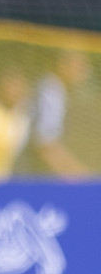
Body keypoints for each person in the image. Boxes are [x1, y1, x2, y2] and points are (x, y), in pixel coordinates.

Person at [31, 50, 90, 178]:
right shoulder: (51, 92)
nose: (84, 72)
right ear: (62, 65)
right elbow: (46, 147)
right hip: (23, 174)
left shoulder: (52, 88)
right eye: (79, 66)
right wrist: (83, 179)